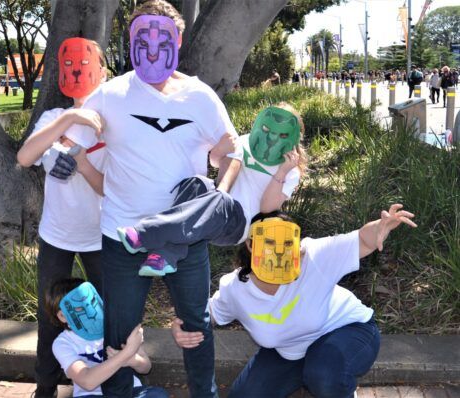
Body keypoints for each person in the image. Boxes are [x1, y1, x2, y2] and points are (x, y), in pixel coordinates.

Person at [58, 2, 240, 397]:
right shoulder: (110, 94)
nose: (153, 48)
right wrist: (67, 149)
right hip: (121, 234)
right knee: (119, 330)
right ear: (131, 40)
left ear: (178, 40)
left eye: (163, 39)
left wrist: (220, 195)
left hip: (186, 240)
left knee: (196, 325)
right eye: (143, 38)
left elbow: (226, 152)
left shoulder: (200, 97)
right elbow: (74, 144)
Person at [172, 204, 417, 398]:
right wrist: (182, 325)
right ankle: (310, 372)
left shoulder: (313, 256)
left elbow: (360, 240)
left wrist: (380, 226)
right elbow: (209, 313)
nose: (279, 251)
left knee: (324, 376)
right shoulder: (236, 288)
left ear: (297, 245)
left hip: (348, 330)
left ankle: (336, 385)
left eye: (287, 243)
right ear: (250, 244)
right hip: (290, 352)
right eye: (269, 242)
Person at [16, 37, 108, 398]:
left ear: (102, 70)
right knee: (50, 314)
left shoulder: (112, 123)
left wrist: (83, 164)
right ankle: (46, 387)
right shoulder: (53, 118)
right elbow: (25, 157)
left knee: (107, 313)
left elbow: (110, 189)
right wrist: (70, 117)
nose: (78, 70)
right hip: (56, 235)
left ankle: (111, 377)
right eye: (69, 65)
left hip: (101, 236)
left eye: (87, 64)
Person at [117, 104, 305, 277]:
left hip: (238, 225)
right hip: (215, 207)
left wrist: (282, 171)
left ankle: (144, 234)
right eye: (267, 130)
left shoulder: (291, 171)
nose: (271, 139)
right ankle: (165, 257)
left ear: (294, 137)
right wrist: (219, 151)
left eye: (282, 135)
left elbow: (267, 207)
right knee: (197, 183)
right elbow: (217, 162)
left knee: (220, 198)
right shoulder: (247, 141)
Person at [46, 278, 168, 398]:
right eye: (80, 308)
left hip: (130, 390)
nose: (91, 312)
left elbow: (146, 367)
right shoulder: (63, 343)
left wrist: (132, 360)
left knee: (158, 395)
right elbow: (87, 382)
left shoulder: (117, 326)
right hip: (92, 395)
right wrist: (126, 354)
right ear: (62, 316)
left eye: (92, 302)